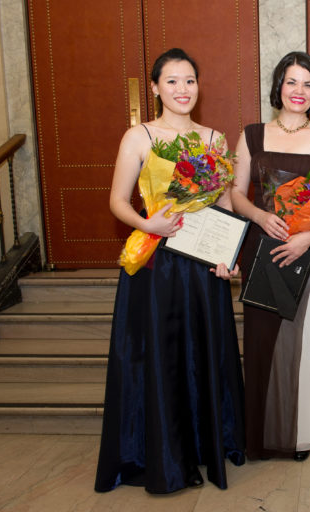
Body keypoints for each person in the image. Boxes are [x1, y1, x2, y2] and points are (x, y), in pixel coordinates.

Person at [95, 48, 245, 494]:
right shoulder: (138, 136)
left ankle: (202, 445)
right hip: (156, 264)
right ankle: (159, 451)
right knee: (158, 355)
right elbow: (118, 200)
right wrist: (147, 223)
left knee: (202, 353)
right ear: (156, 87)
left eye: (190, 81)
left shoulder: (215, 139)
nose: (183, 89)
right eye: (173, 81)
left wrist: (228, 254)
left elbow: (222, 205)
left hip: (201, 266)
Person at [231, 51, 310, 461]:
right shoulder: (251, 134)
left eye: (308, 84)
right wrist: (261, 216)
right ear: (278, 86)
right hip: (261, 248)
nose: (299, 91)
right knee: (262, 341)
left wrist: (307, 238)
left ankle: (298, 435)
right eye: (291, 82)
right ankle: (260, 436)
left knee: (304, 343)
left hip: (309, 254)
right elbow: (235, 193)